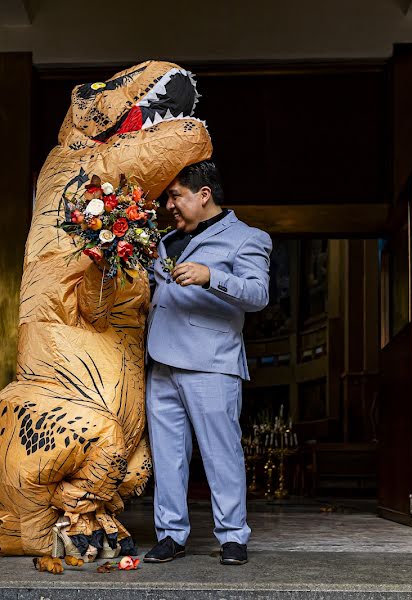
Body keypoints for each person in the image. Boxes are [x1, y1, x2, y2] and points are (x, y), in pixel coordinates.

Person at [144, 160, 271, 566]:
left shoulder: (248, 238)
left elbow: (257, 294)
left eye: (175, 196)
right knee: (167, 456)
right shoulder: (165, 240)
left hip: (211, 364)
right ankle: (170, 534)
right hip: (160, 362)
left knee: (221, 454)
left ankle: (233, 536)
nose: (169, 205)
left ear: (204, 195)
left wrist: (210, 275)